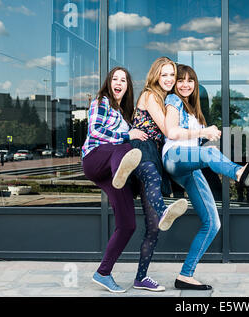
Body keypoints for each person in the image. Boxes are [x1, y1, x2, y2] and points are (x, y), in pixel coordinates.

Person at [162, 64, 249, 290]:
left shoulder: (193, 111)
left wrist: (209, 136)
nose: (185, 84)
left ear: (195, 84)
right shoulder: (173, 102)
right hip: (173, 157)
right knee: (210, 153)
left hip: (188, 166)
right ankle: (240, 173)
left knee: (212, 223)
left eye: (190, 80)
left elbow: (198, 145)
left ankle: (185, 275)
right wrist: (203, 133)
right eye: (181, 80)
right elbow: (171, 132)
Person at [82, 66, 148, 293]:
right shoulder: (100, 102)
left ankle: (103, 273)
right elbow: (95, 131)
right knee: (126, 145)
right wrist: (126, 135)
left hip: (113, 173)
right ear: (109, 83)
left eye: (123, 80)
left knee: (128, 224)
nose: (118, 83)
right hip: (95, 159)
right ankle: (123, 171)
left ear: (128, 86)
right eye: (114, 79)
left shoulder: (124, 114)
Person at [129, 57, 188, 292]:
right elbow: (168, 130)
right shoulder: (151, 95)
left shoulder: (165, 100)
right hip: (141, 152)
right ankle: (165, 211)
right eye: (165, 74)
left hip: (154, 154)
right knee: (152, 178)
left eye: (172, 75)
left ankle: (140, 278)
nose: (169, 79)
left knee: (153, 227)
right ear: (155, 75)